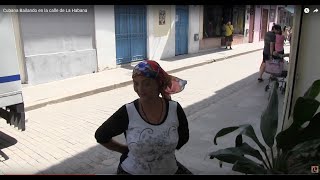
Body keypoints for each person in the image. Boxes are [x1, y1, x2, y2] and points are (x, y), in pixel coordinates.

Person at [95, 60, 192, 175]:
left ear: (158, 83)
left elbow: (183, 137)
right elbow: (101, 135)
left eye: (146, 83)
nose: (140, 89)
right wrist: (125, 150)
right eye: (136, 83)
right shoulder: (128, 111)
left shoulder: (174, 108)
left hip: (170, 170)